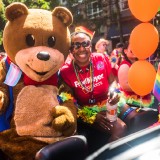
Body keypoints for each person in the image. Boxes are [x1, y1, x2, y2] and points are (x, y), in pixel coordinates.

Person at [59, 26, 127, 153]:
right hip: (86, 112)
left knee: (135, 118)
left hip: (108, 103)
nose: (81, 48)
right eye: (76, 45)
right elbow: (68, 102)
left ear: (90, 45)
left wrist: (114, 92)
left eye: (85, 44)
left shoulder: (101, 58)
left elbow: (112, 81)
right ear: (71, 50)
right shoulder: (65, 72)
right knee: (120, 129)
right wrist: (91, 116)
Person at [117, 41, 155, 125]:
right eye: (132, 48)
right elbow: (125, 85)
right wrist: (143, 88)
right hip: (132, 100)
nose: (134, 50)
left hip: (145, 96)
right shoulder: (125, 65)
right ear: (125, 51)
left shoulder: (140, 63)